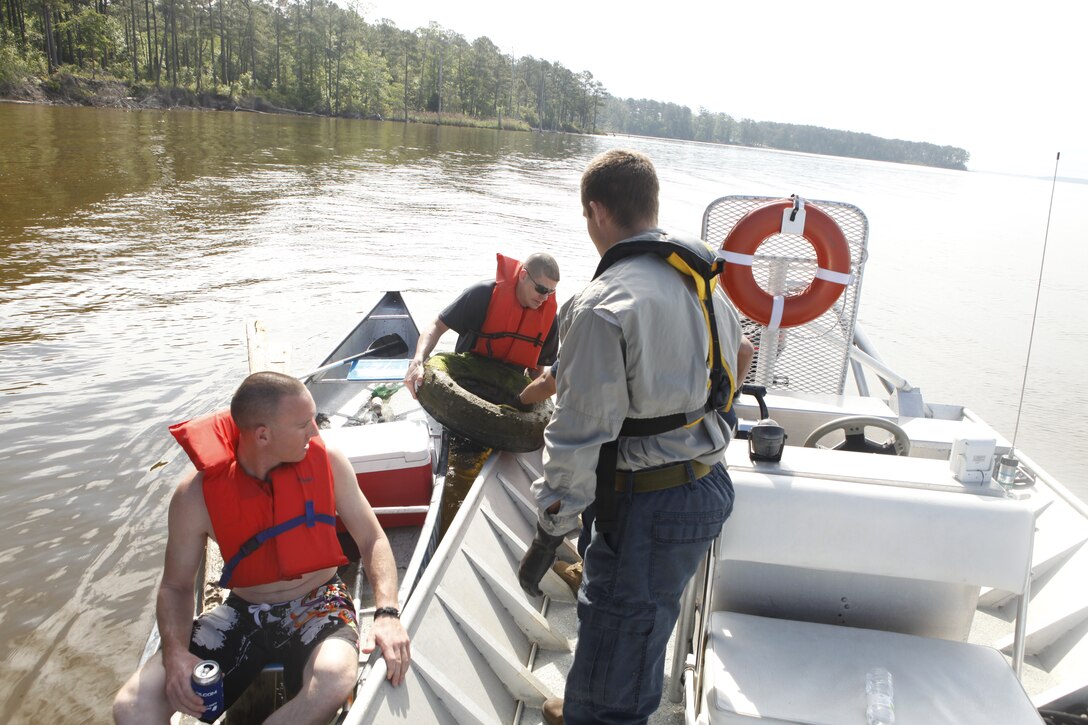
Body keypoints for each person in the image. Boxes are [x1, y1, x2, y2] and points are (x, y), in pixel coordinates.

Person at [518, 149, 754, 725]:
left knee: (622, 621)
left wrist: (553, 524)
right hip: (706, 486)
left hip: (648, 503)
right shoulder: (700, 281)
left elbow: (577, 433)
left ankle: (597, 710)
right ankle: (590, 698)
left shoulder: (602, 305)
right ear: (651, 206)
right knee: (645, 619)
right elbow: (740, 359)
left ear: (597, 212)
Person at [113, 372, 411, 725]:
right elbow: (176, 587)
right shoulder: (194, 496)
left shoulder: (328, 461)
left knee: (334, 679)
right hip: (244, 611)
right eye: (303, 424)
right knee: (132, 706)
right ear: (263, 434)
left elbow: (372, 539)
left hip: (320, 601)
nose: (315, 432)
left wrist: (387, 614)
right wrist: (176, 654)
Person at [404, 252, 560, 398]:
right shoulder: (482, 295)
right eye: (541, 289)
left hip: (507, 389)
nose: (545, 298)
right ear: (523, 275)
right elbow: (437, 326)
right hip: (463, 380)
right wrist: (418, 360)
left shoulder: (549, 319)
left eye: (551, 292)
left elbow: (537, 371)